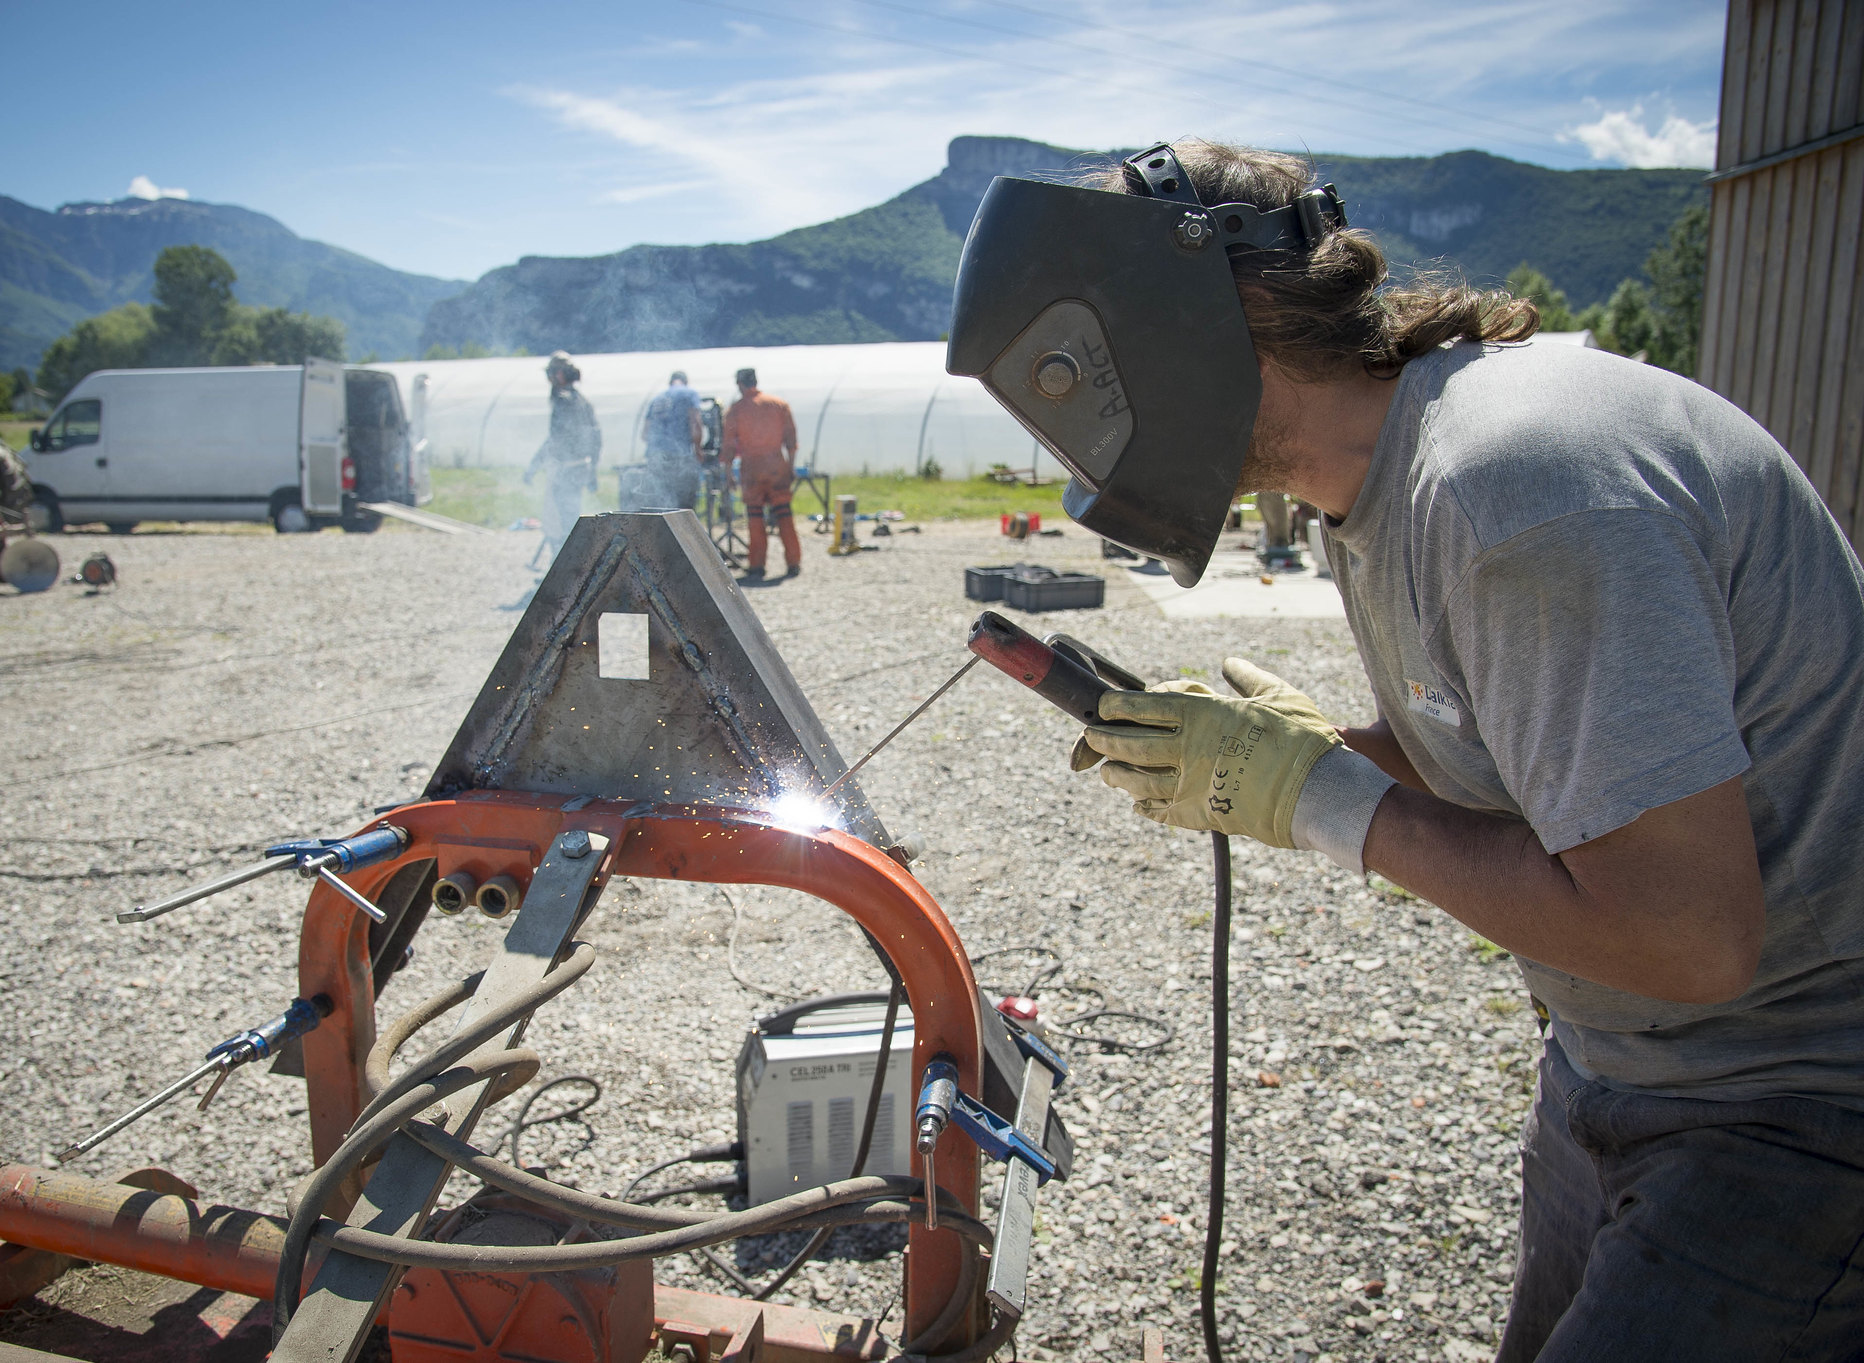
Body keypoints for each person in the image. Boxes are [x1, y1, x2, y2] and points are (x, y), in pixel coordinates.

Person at [959, 140, 1864, 1361]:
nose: (1075, 443)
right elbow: (1527, 762)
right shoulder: (1381, 482)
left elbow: (1688, 934)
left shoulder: (1514, 484)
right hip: (1618, 1061)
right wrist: (1300, 753)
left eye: (1072, 380)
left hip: (1793, 1098)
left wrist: (1323, 798)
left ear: (1188, 319)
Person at [721, 367, 800, 583]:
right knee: (784, 515)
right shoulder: (779, 404)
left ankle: (757, 565)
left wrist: (728, 473)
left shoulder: (735, 410)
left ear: (739, 384)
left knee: (755, 518)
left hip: (752, 470)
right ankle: (793, 562)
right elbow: (791, 441)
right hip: (776, 466)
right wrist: (790, 467)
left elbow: (728, 447)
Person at [523, 351, 599, 555]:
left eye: (550, 374)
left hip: (566, 469)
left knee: (564, 521)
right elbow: (596, 438)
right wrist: (592, 470)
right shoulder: (582, 401)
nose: (548, 379)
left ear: (559, 374)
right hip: (579, 467)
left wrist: (533, 467)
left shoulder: (563, 401)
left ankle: (569, 566)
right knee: (569, 517)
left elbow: (554, 439)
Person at [637, 370, 703, 510]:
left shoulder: (657, 398)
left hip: (655, 458)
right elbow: (695, 423)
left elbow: (644, 434)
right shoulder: (689, 394)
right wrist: (698, 449)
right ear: (685, 382)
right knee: (684, 502)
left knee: (661, 501)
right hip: (679, 456)